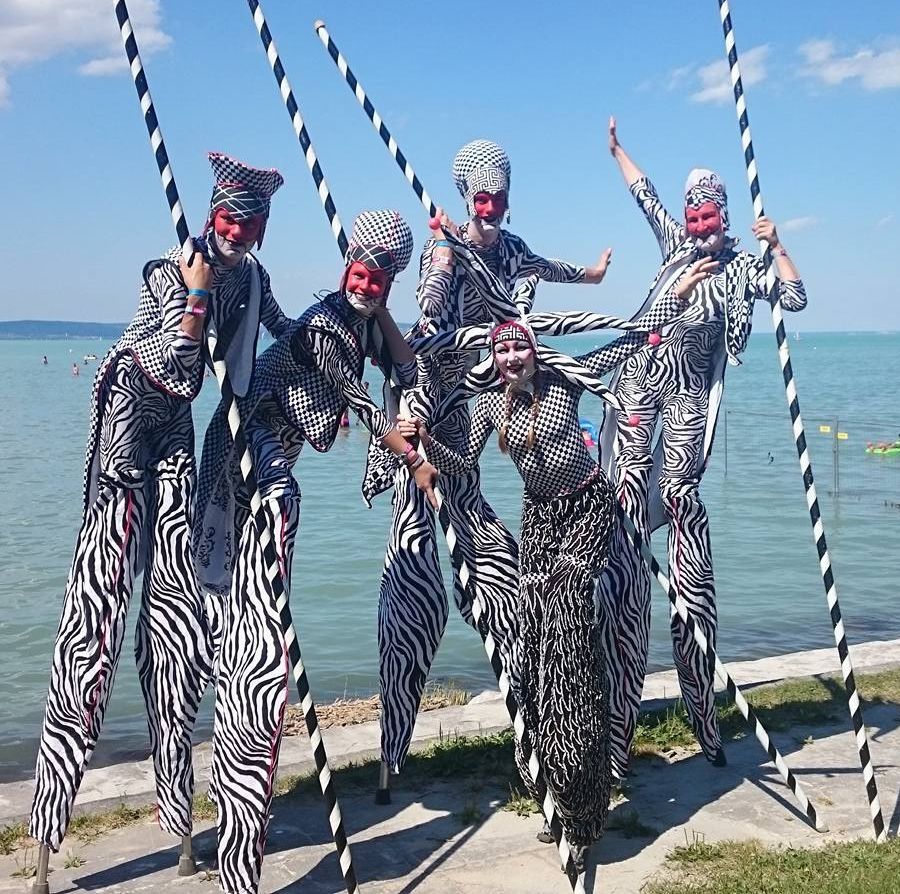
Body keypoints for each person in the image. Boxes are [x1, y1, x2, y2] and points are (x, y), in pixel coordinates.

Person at [397, 257, 705, 869]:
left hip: (589, 513)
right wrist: (420, 446)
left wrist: (676, 297)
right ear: (496, 356)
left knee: (570, 643)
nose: (513, 359)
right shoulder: (492, 409)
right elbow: (463, 464)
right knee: (534, 656)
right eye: (503, 352)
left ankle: (587, 802)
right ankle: (557, 794)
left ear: (535, 351)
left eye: (521, 349)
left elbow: (633, 341)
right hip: (539, 525)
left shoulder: (566, 383)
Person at [30, 153, 289, 856]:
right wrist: (196, 297)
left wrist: (352, 338)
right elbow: (174, 368)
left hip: (173, 438)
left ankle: (176, 813)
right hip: (127, 426)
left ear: (262, 229)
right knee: (97, 618)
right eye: (228, 217)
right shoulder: (165, 272)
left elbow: (284, 336)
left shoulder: (253, 278)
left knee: (174, 635)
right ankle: (51, 820)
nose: (236, 229)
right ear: (210, 216)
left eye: (250, 220)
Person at [193, 210, 438, 894]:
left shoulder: (362, 314)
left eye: (376, 279)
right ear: (343, 271)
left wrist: (383, 307)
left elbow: (406, 364)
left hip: (285, 449)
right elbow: (363, 405)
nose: (363, 287)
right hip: (248, 440)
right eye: (357, 275)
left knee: (283, 508)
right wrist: (412, 462)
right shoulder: (331, 327)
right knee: (280, 508)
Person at [369, 138, 616, 786]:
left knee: (510, 594)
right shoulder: (446, 246)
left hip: (480, 414)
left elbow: (545, 267)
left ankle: (541, 746)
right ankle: (392, 753)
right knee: (411, 598)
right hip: (434, 409)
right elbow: (430, 305)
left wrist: (589, 276)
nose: (492, 206)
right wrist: (426, 325)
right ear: (466, 198)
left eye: (500, 197)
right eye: (482, 197)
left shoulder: (508, 249)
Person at [597, 117, 808, 778]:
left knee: (681, 494)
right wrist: (617, 151)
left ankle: (700, 694)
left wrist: (778, 247)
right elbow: (646, 194)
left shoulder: (743, 268)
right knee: (625, 505)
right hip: (640, 386)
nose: (697, 225)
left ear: (726, 218)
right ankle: (612, 707)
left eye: (708, 216)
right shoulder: (670, 249)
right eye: (692, 217)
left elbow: (795, 297)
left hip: (688, 397)